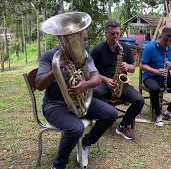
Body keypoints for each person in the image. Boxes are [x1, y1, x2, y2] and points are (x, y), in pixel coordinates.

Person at [35, 32, 118, 169]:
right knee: (75, 128)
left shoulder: (84, 55)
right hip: (55, 105)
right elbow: (39, 85)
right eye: (76, 39)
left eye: (83, 40)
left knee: (111, 113)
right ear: (63, 38)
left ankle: (86, 143)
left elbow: (96, 78)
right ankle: (59, 165)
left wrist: (84, 84)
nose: (81, 44)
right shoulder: (50, 56)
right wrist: (56, 70)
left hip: (79, 100)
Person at [91, 21, 144, 140]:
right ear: (106, 33)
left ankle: (123, 124)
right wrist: (105, 80)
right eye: (112, 34)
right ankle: (107, 114)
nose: (115, 36)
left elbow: (133, 68)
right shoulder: (98, 50)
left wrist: (128, 66)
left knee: (139, 100)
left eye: (117, 33)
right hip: (104, 82)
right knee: (93, 93)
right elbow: (91, 72)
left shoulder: (124, 47)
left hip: (121, 83)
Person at [140, 27, 171, 127]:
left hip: (165, 76)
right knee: (155, 89)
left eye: (170, 41)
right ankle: (158, 115)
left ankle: (169, 112)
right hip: (150, 76)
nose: (167, 43)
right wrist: (156, 71)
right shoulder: (150, 47)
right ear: (160, 36)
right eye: (165, 40)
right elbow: (142, 65)